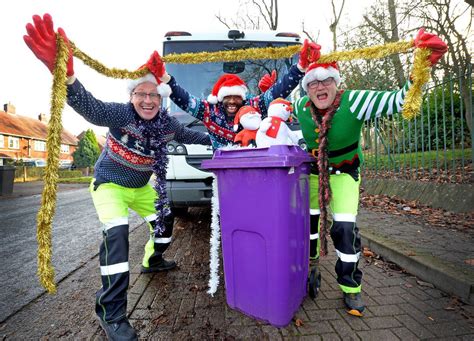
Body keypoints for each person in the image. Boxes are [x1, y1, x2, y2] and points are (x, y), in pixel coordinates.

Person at [23, 14, 212, 340]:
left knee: (165, 224)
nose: (149, 100)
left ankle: (153, 260)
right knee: (117, 237)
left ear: (161, 98)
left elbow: (198, 138)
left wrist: (230, 138)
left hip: (141, 188)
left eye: (154, 95)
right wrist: (67, 78)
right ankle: (110, 310)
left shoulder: (167, 125)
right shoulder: (119, 114)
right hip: (110, 186)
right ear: (132, 96)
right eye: (142, 93)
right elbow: (91, 108)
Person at [292, 29, 447, 316]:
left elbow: (399, 101)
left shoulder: (355, 101)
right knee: (308, 223)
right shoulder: (300, 106)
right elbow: (274, 111)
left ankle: (351, 288)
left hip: (345, 174)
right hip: (313, 173)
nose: (320, 86)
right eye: (313, 82)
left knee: (344, 229)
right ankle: (311, 260)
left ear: (337, 83)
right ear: (307, 88)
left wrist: (422, 64)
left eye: (327, 79)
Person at [143, 41, 321, 149]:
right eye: (228, 97)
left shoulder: (253, 107)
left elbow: (278, 91)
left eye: (236, 97)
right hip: (223, 172)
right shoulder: (208, 111)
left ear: (243, 98)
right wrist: (165, 77)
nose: (232, 101)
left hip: (254, 168)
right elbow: (184, 99)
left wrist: (299, 68)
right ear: (220, 98)